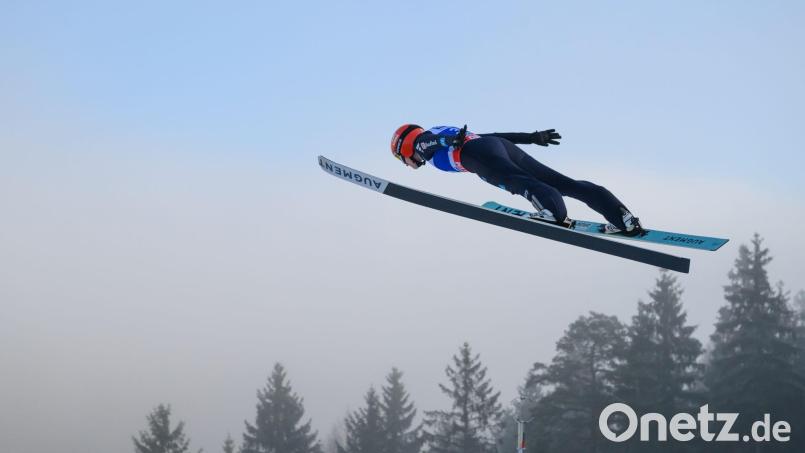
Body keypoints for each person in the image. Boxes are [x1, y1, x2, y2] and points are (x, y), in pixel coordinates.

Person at [389, 124, 643, 235]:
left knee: (519, 182)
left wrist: (448, 142)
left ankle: (554, 213)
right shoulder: (438, 131)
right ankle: (624, 219)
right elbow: (493, 135)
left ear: (405, 147)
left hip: (476, 155)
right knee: (565, 183)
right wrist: (531, 137)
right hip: (497, 146)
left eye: (403, 159)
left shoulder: (423, 143)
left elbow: (430, 143)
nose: (409, 165)